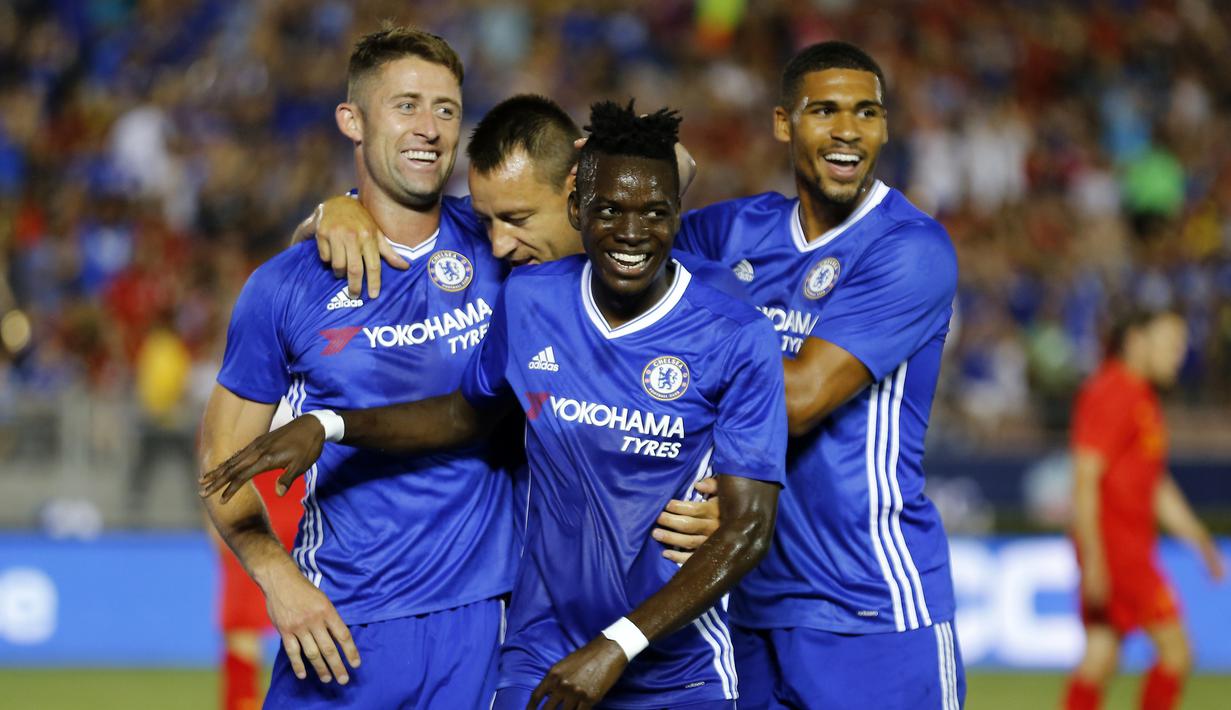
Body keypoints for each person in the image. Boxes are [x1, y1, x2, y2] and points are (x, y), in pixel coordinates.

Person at [301, 40, 965, 708]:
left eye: (865, 112)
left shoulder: (908, 248)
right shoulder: (734, 231)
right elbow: (640, 208)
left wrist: (719, 482)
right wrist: (345, 205)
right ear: (783, 122)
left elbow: (790, 399)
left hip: (864, 597)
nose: (846, 129)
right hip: (739, 603)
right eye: (823, 110)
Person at [203, 100, 787, 709]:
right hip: (538, 646)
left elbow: (749, 523)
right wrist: (328, 421)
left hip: (673, 663)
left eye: (517, 218)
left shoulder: (727, 319)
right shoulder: (528, 295)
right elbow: (464, 414)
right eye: (488, 222)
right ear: (581, 205)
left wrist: (721, 509)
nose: (500, 245)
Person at [199, 26, 515, 708]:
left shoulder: (503, 245)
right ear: (352, 120)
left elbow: (659, 176)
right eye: (405, 105)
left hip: (482, 627)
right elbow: (221, 460)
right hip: (339, 629)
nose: (429, 127)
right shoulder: (284, 286)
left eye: (446, 109)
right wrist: (277, 579)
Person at [1064, 309, 1224, 710]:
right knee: (1177, 652)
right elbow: (1085, 477)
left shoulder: (1142, 397)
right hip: (1119, 550)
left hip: (1125, 547)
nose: (1179, 355)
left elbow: (1154, 485)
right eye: (1171, 343)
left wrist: (1199, 539)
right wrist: (1095, 558)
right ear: (1136, 341)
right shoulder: (1112, 392)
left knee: (1101, 656)